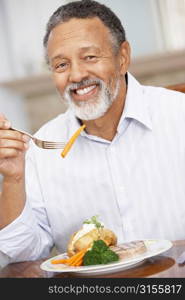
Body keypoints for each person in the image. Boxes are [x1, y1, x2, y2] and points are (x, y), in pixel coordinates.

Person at [0, 0, 185, 265]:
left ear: (123, 58)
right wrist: (13, 179)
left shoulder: (179, 115)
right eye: (61, 65)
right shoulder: (41, 149)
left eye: (90, 57)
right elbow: (21, 257)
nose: (76, 75)